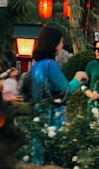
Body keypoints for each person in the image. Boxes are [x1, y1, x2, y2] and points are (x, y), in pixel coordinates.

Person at [29, 26, 69, 163]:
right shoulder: (51, 65)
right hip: (52, 113)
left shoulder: (36, 65)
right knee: (53, 152)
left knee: (38, 152)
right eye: (61, 42)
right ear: (54, 43)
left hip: (39, 112)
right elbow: (66, 88)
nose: (62, 45)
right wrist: (79, 77)